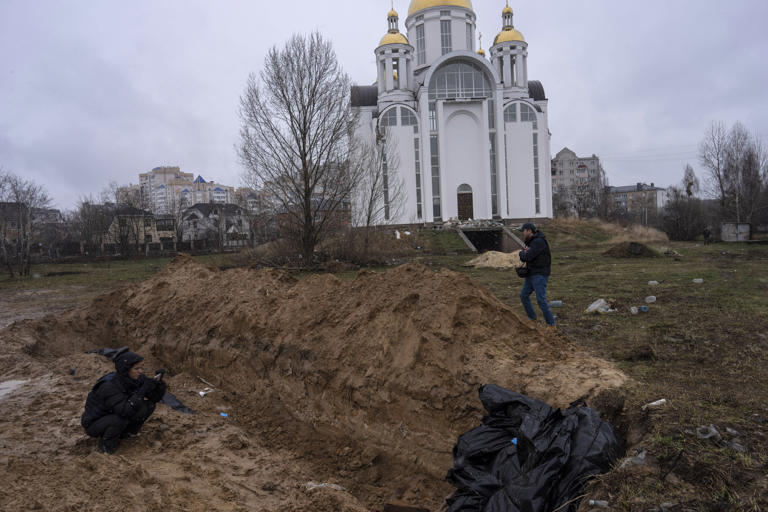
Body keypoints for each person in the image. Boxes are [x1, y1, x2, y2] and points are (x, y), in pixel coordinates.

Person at [81, 351, 166, 454]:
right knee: (120, 419)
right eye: (136, 369)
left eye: (141, 368)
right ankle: (106, 445)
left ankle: (125, 434)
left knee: (148, 405)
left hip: (114, 413)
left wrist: (159, 384)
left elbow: (154, 398)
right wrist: (142, 391)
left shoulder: (135, 378)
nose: (140, 371)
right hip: (94, 423)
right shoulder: (109, 386)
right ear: (126, 370)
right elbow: (124, 411)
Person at [518, 222, 555, 326]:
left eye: (523, 231)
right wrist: (524, 253)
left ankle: (551, 325)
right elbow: (526, 254)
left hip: (540, 274)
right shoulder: (531, 241)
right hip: (531, 273)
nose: (522, 233)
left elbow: (526, 256)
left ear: (529, 230)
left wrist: (522, 253)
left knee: (541, 300)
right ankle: (532, 319)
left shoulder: (538, 242)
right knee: (524, 296)